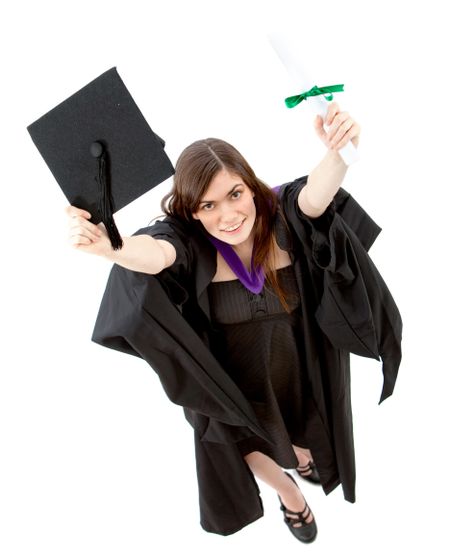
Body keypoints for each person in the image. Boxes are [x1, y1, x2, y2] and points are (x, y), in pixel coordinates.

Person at [65, 102, 401, 543]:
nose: (228, 215)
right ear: (191, 210)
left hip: (294, 361)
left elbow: (314, 198)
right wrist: (114, 249)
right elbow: (154, 256)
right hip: (231, 377)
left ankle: (300, 456)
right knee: (230, 439)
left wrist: (339, 152)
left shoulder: (281, 217)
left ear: (251, 187)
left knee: (303, 430)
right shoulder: (186, 242)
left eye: (235, 194)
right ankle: (291, 495)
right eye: (208, 204)